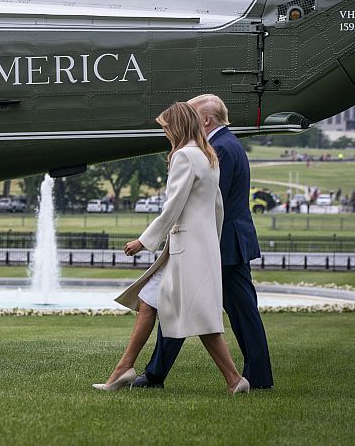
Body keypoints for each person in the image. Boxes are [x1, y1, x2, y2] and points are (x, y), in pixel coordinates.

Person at [94, 101, 248, 394]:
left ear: (176, 127)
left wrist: (144, 241)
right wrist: (210, 244)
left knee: (202, 320)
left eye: (166, 127)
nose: (165, 133)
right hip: (197, 247)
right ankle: (123, 369)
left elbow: (172, 206)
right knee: (150, 302)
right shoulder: (207, 155)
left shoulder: (185, 156)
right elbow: (218, 208)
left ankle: (234, 379)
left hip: (185, 249)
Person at [132, 94, 274, 390]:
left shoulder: (214, 148)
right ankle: (254, 376)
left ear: (206, 120)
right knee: (230, 311)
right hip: (230, 240)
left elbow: (201, 203)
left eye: (194, 116)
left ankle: (158, 374)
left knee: (188, 306)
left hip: (216, 243)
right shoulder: (229, 144)